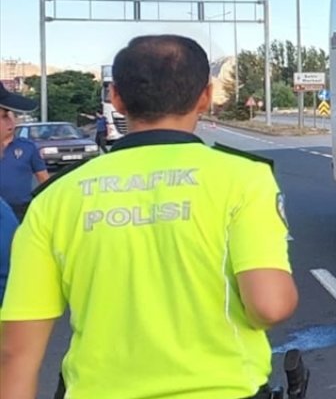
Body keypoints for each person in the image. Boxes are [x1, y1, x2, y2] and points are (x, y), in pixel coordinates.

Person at [0, 34, 298, 399]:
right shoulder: (244, 179)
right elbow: (269, 305)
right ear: (205, 96)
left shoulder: (56, 198)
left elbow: (15, 354)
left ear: (116, 97)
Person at [0, 84, 49, 222]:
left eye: (10, 116)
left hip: (21, 210)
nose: (10, 122)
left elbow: (44, 179)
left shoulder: (27, 146)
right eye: (4, 116)